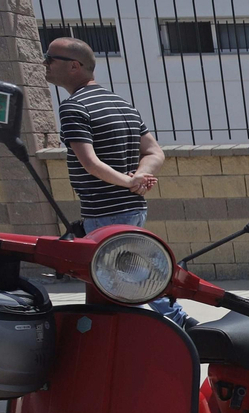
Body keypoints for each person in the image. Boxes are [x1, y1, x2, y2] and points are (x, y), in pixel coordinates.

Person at [43, 37, 182, 324]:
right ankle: (173, 322)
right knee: (127, 277)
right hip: (131, 207)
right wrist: (139, 176)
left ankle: (177, 323)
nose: (44, 64)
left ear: (74, 66)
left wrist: (130, 181)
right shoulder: (122, 104)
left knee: (119, 282)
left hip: (105, 212)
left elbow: (90, 163)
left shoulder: (74, 107)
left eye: (50, 59)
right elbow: (154, 152)